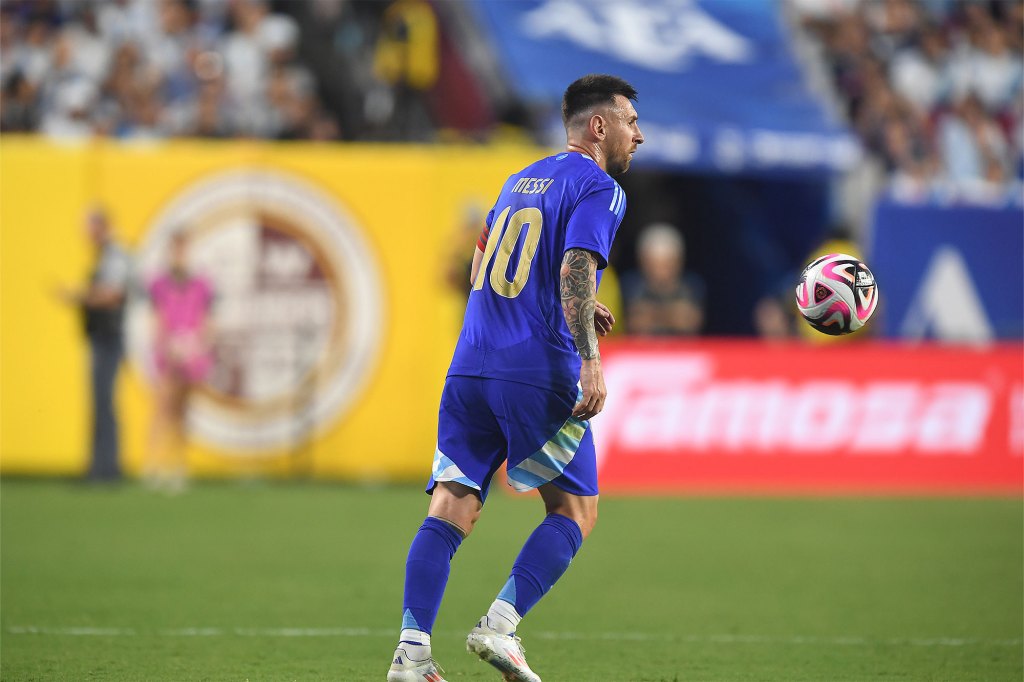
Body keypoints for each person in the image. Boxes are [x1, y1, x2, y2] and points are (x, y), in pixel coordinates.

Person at [386, 74, 644, 682]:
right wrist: (589, 358)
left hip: (471, 363)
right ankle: (500, 627)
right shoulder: (599, 186)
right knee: (576, 510)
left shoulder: (517, 179)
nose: (640, 135)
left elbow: (481, 265)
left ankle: (411, 652)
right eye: (631, 122)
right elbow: (577, 263)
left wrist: (552, 302)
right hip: (535, 370)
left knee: (451, 505)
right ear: (599, 126)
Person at [54, 207, 132, 481]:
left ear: (102, 226)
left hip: (110, 338)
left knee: (104, 402)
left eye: (89, 226)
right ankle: (99, 466)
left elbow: (113, 294)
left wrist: (78, 296)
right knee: (100, 402)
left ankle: (107, 468)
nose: (86, 232)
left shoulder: (116, 254)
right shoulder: (106, 255)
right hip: (101, 337)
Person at [145, 230, 214, 493]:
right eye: (176, 248)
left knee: (182, 413)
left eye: (183, 248)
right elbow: (156, 319)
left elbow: (207, 321)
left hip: (192, 353)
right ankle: (153, 465)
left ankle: (178, 467)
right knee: (162, 408)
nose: (180, 254)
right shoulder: (159, 283)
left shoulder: (201, 284)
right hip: (168, 352)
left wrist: (197, 345)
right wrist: (166, 345)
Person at [621, 223, 704, 336]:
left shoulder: (691, 286)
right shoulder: (631, 286)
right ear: (642, 262)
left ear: (679, 262)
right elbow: (635, 323)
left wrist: (652, 314)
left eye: (667, 265)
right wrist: (672, 314)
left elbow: (690, 322)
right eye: (653, 265)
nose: (660, 273)